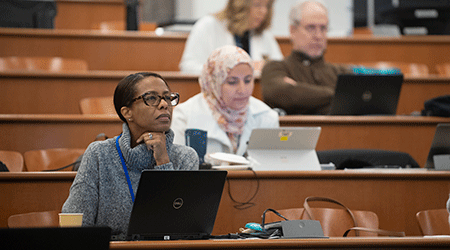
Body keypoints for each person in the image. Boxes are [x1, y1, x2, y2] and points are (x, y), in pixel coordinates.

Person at [62, 72, 199, 239]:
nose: (164, 105)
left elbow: (182, 231)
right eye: (152, 98)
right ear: (127, 113)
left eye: (167, 97)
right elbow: (76, 224)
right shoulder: (99, 154)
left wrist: (163, 161)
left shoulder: (185, 157)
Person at [172, 45, 279, 157]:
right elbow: (178, 169)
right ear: (214, 82)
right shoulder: (183, 117)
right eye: (232, 82)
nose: (242, 90)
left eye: (248, 80)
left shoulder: (267, 116)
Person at [260, 0, 352, 115]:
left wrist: (299, 89)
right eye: (311, 27)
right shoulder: (275, 68)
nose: (318, 36)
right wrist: (340, 95)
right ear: (292, 30)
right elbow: (283, 94)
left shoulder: (340, 73)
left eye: (323, 28)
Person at [179, 0, 283, 74]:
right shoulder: (208, 26)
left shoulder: (265, 35)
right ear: (240, 4)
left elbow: (279, 68)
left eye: (267, 5)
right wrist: (224, 69)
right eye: (257, 5)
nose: (263, 11)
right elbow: (187, 67)